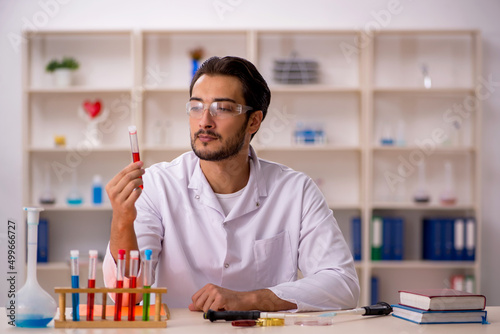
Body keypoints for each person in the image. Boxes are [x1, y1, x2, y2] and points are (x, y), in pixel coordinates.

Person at [103, 56, 359, 312]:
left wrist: (249, 300)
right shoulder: (157, 186)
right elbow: (127, 296)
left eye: (222, 108)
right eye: (196, 107)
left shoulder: (295, 191)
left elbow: (342, 285)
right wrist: (122, 221)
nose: (204, 121)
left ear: (254, 121)